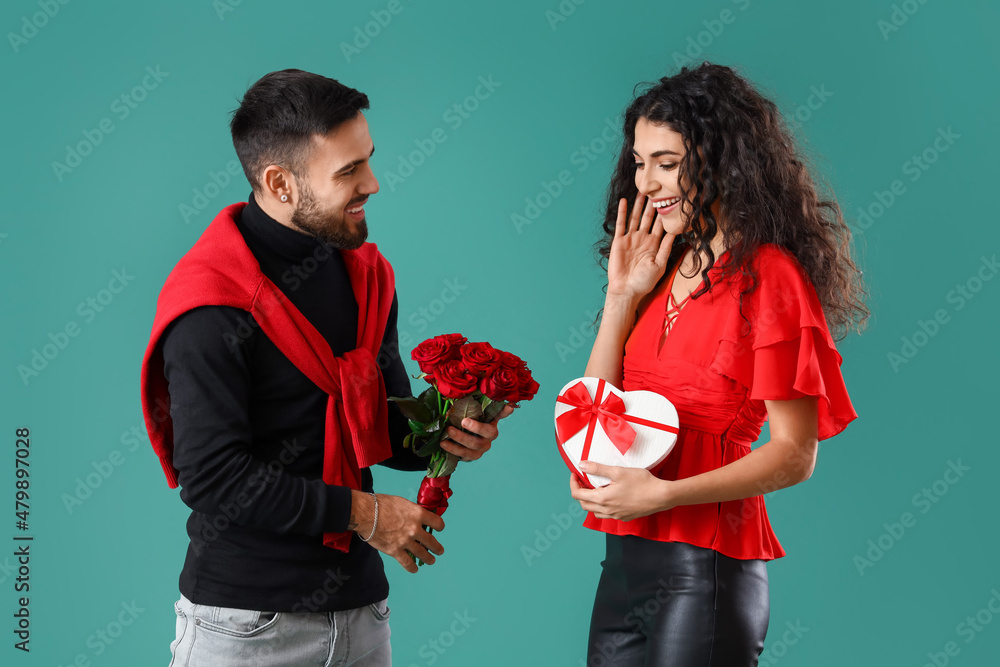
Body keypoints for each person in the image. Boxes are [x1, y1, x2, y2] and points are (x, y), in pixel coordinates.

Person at [139, 69, 512, 666]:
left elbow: (383, 427)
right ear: (280, 183)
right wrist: (365, 515)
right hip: (245, 626)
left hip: (361, 612)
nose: (373, 182)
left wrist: (449, 431)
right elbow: (211, 479)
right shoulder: (210, 303)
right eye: (348, 172)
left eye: (367, 159)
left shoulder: (365, 273)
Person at [568, 62, 868, 666]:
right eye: (640, 161)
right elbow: (596, 416)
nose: (647, 182)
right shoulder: (656, 269)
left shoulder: (772, 277)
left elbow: (794, 453)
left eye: (668, 162)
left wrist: (663, 495)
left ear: (724, 159)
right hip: (624, 563)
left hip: (704, 566)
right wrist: (621, 295)